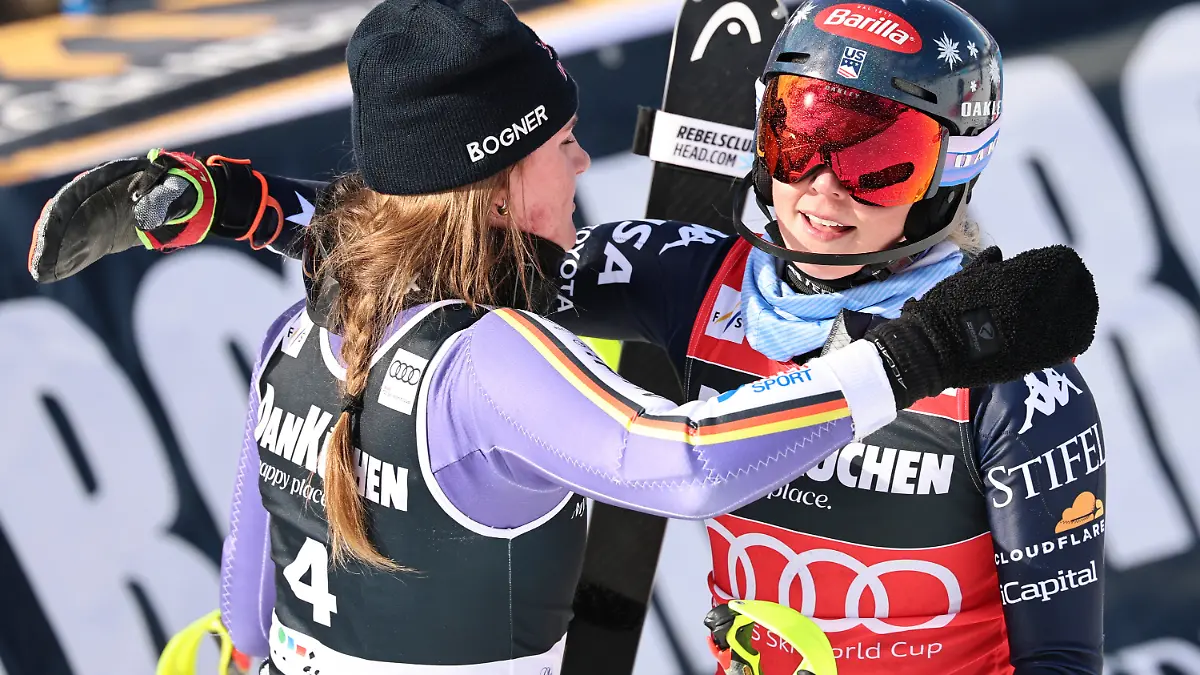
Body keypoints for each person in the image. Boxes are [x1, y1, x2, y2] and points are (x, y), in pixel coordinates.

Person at [28, 0, 1105, 673]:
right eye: (798, 136)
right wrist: (254, 207)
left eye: (875, 160)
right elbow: (447, 256)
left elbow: (1061, 654)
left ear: (954, 168)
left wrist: (248, 209)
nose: (822, 187)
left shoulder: (1009, 379)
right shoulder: (692, 279)